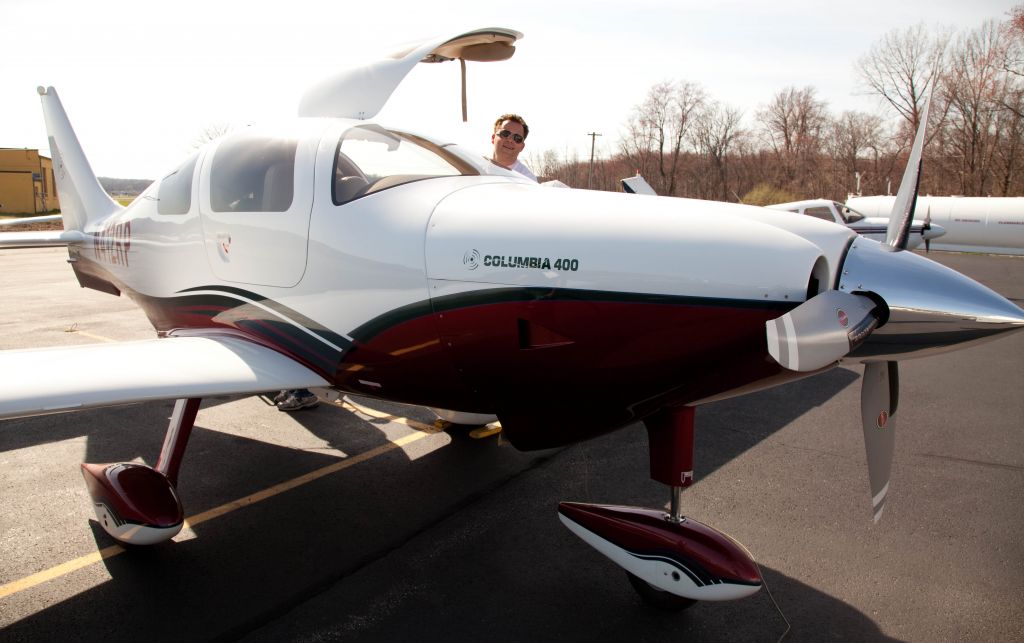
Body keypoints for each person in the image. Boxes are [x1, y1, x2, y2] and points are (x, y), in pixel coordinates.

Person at [491, 114, 538, 182]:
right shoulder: (476, 168)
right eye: (505, 133)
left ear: (522, 147)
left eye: (517, 138)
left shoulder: (528, 180)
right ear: (493, 138)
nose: (510, 140)